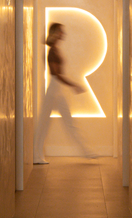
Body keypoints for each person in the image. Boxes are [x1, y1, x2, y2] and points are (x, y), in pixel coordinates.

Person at [34, 22, 98, 163]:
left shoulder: (55, 49)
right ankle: (36, 156)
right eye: (61, 31)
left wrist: (71, 86)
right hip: (53, 90)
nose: (63, 34)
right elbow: (57, 75)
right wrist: (74, 85)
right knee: (43, 124)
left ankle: (88, 152)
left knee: (70, 123)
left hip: (58, 91)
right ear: (55, 33)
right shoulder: (51, 51)